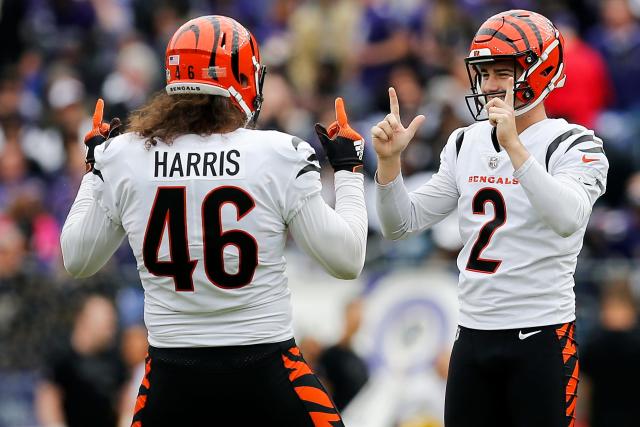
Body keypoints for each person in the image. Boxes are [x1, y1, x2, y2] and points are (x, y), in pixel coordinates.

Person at [60, 15, 367, 426]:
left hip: (172, 377)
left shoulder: (124, 156)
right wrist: (347, 171)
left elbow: (77, 259)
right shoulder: (278, 152)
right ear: (241, 78)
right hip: (267, 369)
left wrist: (94, 172)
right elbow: (346, 261)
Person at [372, 10, 609, 427]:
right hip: (472, 333)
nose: (491, 85)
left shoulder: (574, 143)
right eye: (484, 73)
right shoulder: (465, 141)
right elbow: (400, 224)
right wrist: (390, 166)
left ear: (540, 70)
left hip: (540, 334)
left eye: (503, 71)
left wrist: (516, 148)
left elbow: (569, 217)